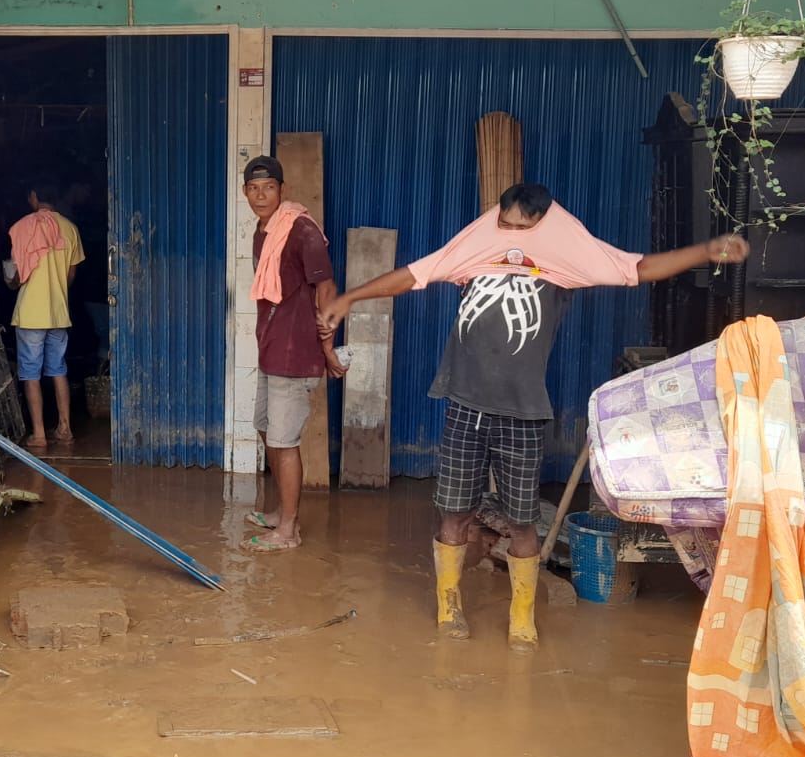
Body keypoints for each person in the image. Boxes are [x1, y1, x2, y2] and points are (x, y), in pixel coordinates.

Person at [317, 183, 749, 651]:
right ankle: (449, 604)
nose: (509, 232)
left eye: (521, 226)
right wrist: (350, 299)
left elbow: (637, 268)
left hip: (524, 413)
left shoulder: (566, 258)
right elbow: (411, 276)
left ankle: (521, 615)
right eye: (504, 222)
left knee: (523, 522)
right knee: (452, 514)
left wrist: (706, 251)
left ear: (541, 223)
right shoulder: (475, 246)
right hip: (465, 405)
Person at [241, 155, 347, 553]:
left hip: (295, 349)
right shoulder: (264, 230)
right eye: (253, 188)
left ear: (283, 190)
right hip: (272, 347)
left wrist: (326, 346)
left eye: (269, 187)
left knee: (284, 442)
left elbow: (326, 288)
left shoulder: (301, 230)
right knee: (267, 428)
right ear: (245, 192)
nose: (261, 195)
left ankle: (288, 529)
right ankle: (280, 512)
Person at [5, 183, 85, 449]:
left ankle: (39, 434)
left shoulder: (22, 227)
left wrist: (12, 283)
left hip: (30, 314)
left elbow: (15, 277)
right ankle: (65, 428)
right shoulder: (71, 229)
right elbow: (71, 276)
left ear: (34, 197)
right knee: (59, 370)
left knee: (31, 374)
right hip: (58, 313)